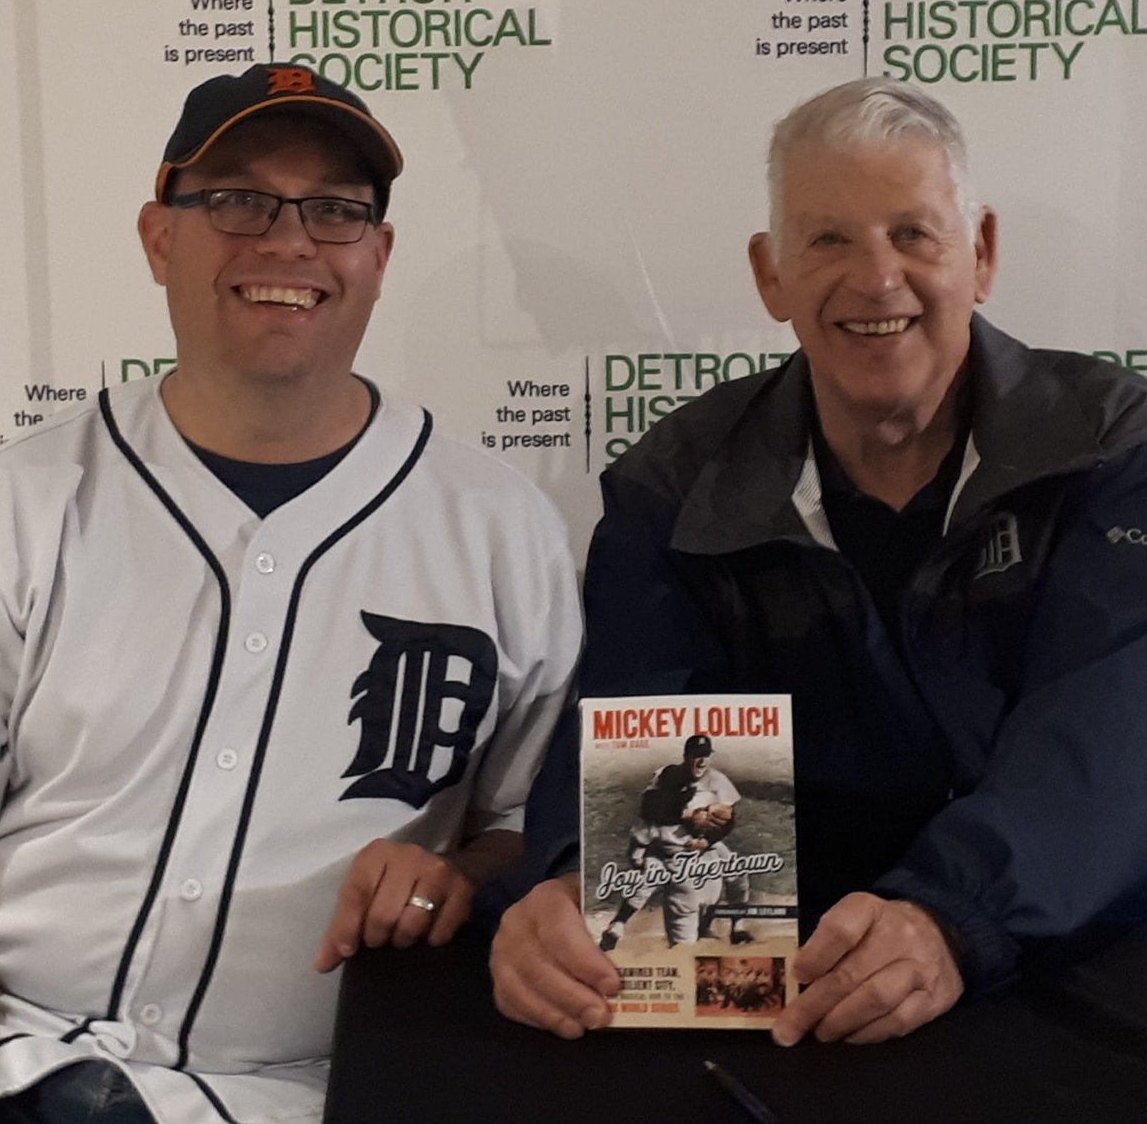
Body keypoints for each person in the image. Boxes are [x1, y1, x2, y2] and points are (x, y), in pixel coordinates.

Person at [0, 64, 581, 1123]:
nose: (288, 241)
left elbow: (537, 824)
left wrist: (461, 876)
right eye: (237, 199)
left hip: (320, 1091)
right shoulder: (22, 502)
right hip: (12, 1058)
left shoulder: (500, 527)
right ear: (160, 237)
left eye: (335, 210)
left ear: (377, 256)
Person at [490, 76, 1147, 1048]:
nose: (874, 278)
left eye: (912, 233)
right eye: (828, 239)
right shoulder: (672, 488)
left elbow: (1106, 742)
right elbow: (659, 788)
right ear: (770, 276)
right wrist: (570, 890)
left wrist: (945, 918)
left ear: (981, 253)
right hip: (799, 985)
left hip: (1067, 950)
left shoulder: (1113, 448)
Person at [596, 734, 751, 950]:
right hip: (667, 848)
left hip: (702, 845)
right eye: (696, 756)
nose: (702, 761)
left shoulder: (717, 780)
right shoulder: (667, 776)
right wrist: (687, 815)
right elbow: (650, 807)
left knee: (736, 873)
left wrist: (707, 840)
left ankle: (738, 926)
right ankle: (618, 925)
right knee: (648, 881)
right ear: (686, 757)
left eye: (705, 756)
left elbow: (728, 819)